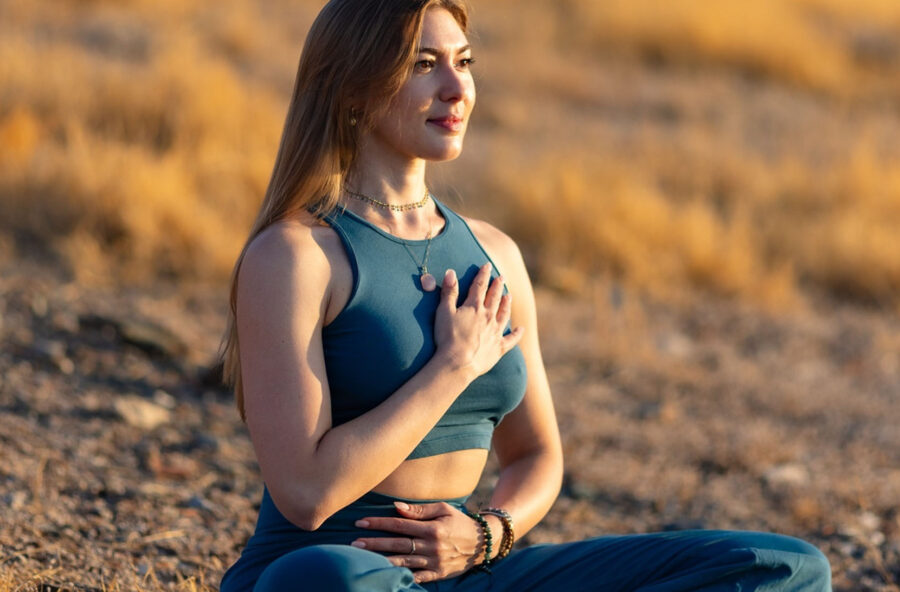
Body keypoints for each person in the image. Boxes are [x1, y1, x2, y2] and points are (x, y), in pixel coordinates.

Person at [216, 1, 833, 590]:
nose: (457, 90)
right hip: (335, 568)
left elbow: (537, 456)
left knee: (784, 566)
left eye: (463, 62)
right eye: (423, 65)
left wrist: (487, 534)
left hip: (467, 569)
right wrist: (453, 367)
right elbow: (305, 494)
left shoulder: (495, 254)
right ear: (352, 85)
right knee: (322, 579)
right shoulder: (297, 255)